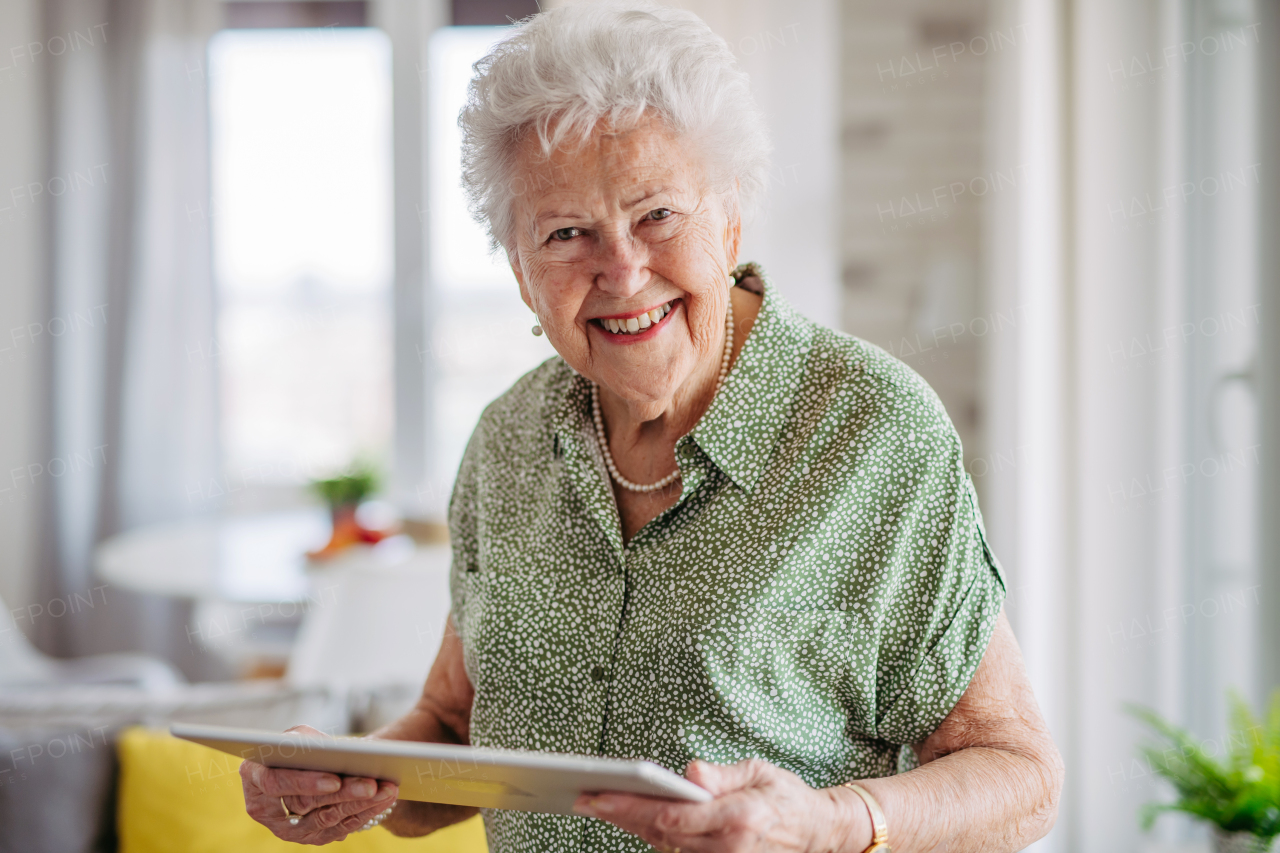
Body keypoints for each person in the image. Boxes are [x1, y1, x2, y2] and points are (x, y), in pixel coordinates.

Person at [240, 4, 1063, 851]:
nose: (623, 270)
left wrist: (829, 823)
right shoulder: (507, 442)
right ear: (522, 274)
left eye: (658, 215)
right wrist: (340, 778)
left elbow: (1019, 775)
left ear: (730, 218)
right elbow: (456, 729)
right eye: (566, 233)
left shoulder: (871, 430)